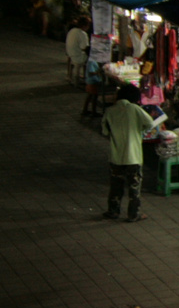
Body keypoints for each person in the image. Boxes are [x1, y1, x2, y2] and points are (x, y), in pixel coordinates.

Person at [101, 83, 155, 222]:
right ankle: (133, 214)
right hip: (133, 156)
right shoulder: (135, 109)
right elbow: (150, 123)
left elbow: (105, 131)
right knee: (134, 187)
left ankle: (113, 211)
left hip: (116, 156)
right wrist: (139, 130)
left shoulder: (110, 111)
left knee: (116, 186)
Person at [65, 16, 90, 85]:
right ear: (85, 26)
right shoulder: (83, 34)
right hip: (78, 56)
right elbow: (84, 47)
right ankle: (86, 77)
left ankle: (70, 76)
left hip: (70, 53)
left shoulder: (72, 30)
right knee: (90, 58)